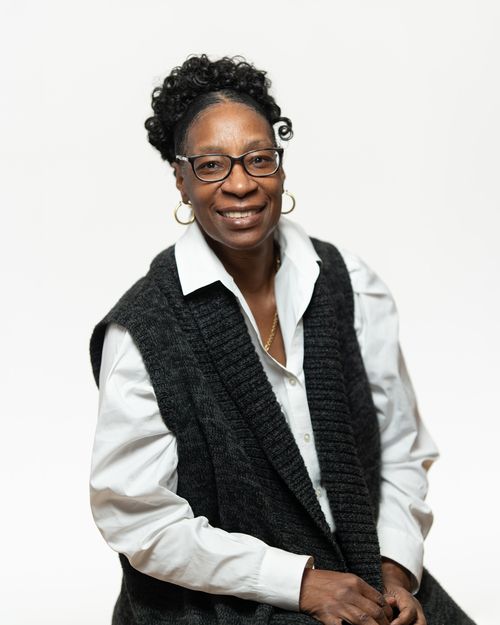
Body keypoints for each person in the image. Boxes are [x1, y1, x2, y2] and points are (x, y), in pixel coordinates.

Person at [89, 54, 475, 625]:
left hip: (367, 574)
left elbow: (400, 445)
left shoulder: (349, 283)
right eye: (211, 166)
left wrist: (395, 568)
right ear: (180, 178)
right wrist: (300, 584)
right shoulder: (144, 328)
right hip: (219, 600)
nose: (240, 184)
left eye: (258, 159)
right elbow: (139, 516)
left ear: (281, 167)